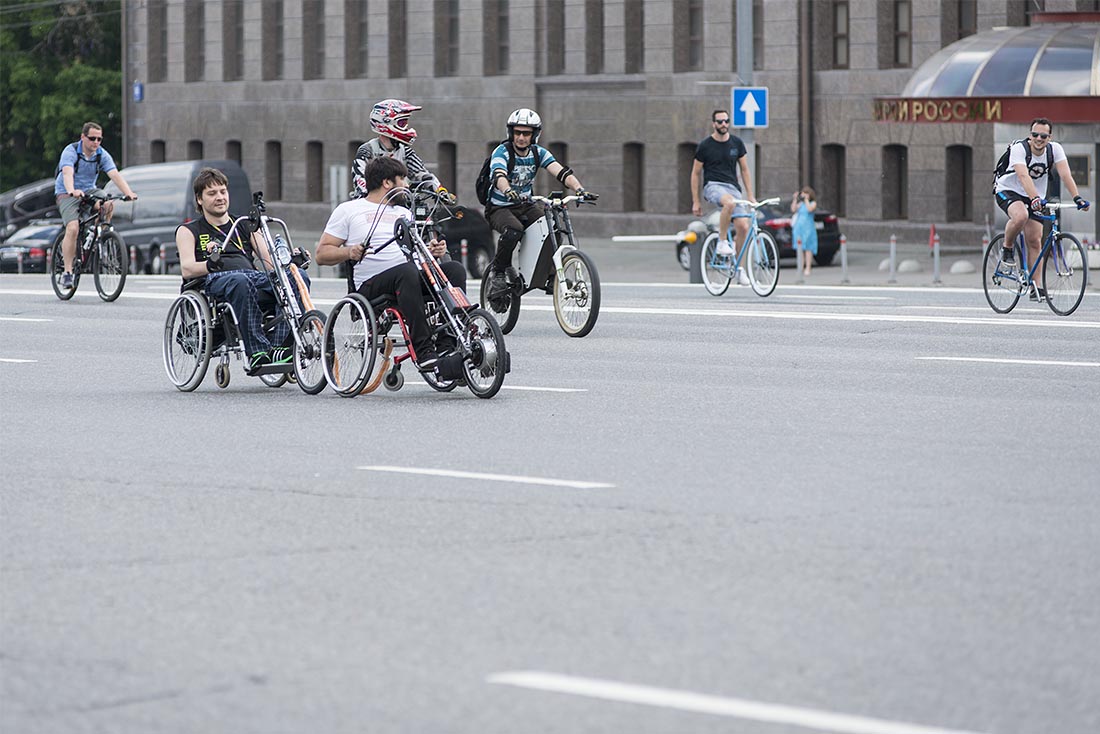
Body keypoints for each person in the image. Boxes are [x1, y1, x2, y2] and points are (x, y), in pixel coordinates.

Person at [316, 157, 466, 371]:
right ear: (387, 183)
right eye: (402, 179)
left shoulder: (404, 212)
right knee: (406, 273)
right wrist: (350, 251)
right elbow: (322, 254)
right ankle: (423, 351)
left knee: (454, 270)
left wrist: (431, 251)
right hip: (372, 286)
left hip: (408, 277)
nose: (407, 185)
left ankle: (447, 344)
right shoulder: (348, 210)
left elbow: (413, 251)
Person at [176, 167, 311, 374]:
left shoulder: (244, 225)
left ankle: (281, 346)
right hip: (213, 280)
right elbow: (187, 269)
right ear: (200, 199)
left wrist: (290, 261)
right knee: (239, 280)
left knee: (296, 276)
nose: (219, 197)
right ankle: (257, 351)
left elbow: (268, 261)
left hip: (253, 277)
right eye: (212, 194)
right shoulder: (189, 230)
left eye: (222, 191)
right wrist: (210, 265)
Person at [484, 107, 595, 299]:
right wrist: (508, 190)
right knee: (513, 230)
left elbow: (561, 173)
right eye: (517, 132)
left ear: (534, 135)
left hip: (525, 204)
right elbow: (499, 175)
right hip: (499, 207)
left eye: (526, 133)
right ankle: (499, 271)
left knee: (551, 226)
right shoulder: (501, 152)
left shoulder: (538, 153)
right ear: (511, 133)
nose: (521, 138)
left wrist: (579, 190)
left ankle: (551, 274)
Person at [994, 117, 1090, 301]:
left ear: (1049, 137)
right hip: (1009, 190)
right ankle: (1007, 248)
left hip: (1035, 195)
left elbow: (1065, 174)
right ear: (1030, 135)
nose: (1039, 138)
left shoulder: (1055, 150)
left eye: (1043, 136)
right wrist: (1035, 198)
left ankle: (1036, 287)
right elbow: (1022, 175)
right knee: (1021, 215)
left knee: (1035, 240)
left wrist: (1077, 198)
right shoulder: (1019, 149)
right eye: (1035, 134)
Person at [53, 121, 138, 289]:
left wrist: (129, 193)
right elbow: (67, 173)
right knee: (73, 228)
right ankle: (68, 272)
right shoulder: (70, 152)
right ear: (83, 137)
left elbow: (114, 174)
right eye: (92, 138)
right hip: (66, 191)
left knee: (108, 204)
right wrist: (72, 190)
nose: (96, 143)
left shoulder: (101, 154)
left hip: (90, 190)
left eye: (99, 139)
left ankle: (101, 236)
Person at [690, 109, 756, 285]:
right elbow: (695, 173)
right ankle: (721, 241)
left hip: (733, 188)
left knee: (743, 226)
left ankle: (739, 269)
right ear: (714, 124)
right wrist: (696, 201)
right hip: (713, 186)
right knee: (729, 203)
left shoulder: (736, 143)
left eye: (726, 121)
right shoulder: (705, 146)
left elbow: (744, 169)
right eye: (720, 122)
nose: (724, 125)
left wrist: (750, 195)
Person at [350, 99, 454, 205]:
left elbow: (422, 174)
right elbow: (360, 182)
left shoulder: (405, 151)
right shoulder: (367, 151)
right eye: (402, 123)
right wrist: (366, 195)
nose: (406, 128)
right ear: (385, 122)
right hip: (374, 207)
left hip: (401, 204)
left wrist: (439, 190)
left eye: (406, 123)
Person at [790, 186, 819, 277]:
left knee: (808, 248)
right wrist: (795, 199)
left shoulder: (813, 203)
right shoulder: (801, 204)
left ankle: (808, 267)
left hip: (808, 228)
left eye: (806, 193)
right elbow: (793, 209)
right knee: (800, 248)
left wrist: (806, 200)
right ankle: (801, 267)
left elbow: (810, 209)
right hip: (799, 228)